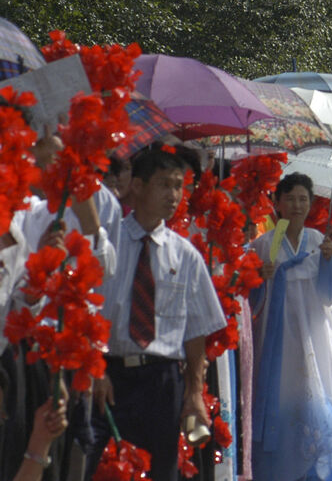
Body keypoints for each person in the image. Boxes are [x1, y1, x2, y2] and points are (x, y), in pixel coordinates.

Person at [89, 147, 227, 481]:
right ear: (136, 186)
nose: (174, 195)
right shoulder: (105, 245)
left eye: (179, 185)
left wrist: (194, 394)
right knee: (91, 467)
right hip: (108, 376)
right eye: (164, 184)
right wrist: (94, 368)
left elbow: (197, 330)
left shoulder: (186, 255)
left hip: (161, 381)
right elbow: (86, 310)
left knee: (160, 471)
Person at [248, 172, 332, 481]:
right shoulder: (264, 244)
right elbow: (251, 295)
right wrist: (260, 277)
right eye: (290, 198)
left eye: (303, 199)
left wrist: (328, 261)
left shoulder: (318, 241)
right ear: (277, 203)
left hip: (316, 330)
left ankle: (321, 467)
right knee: (285, 392)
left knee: (320, 391)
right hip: (278, 330)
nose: (297, 205)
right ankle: (283, 467)